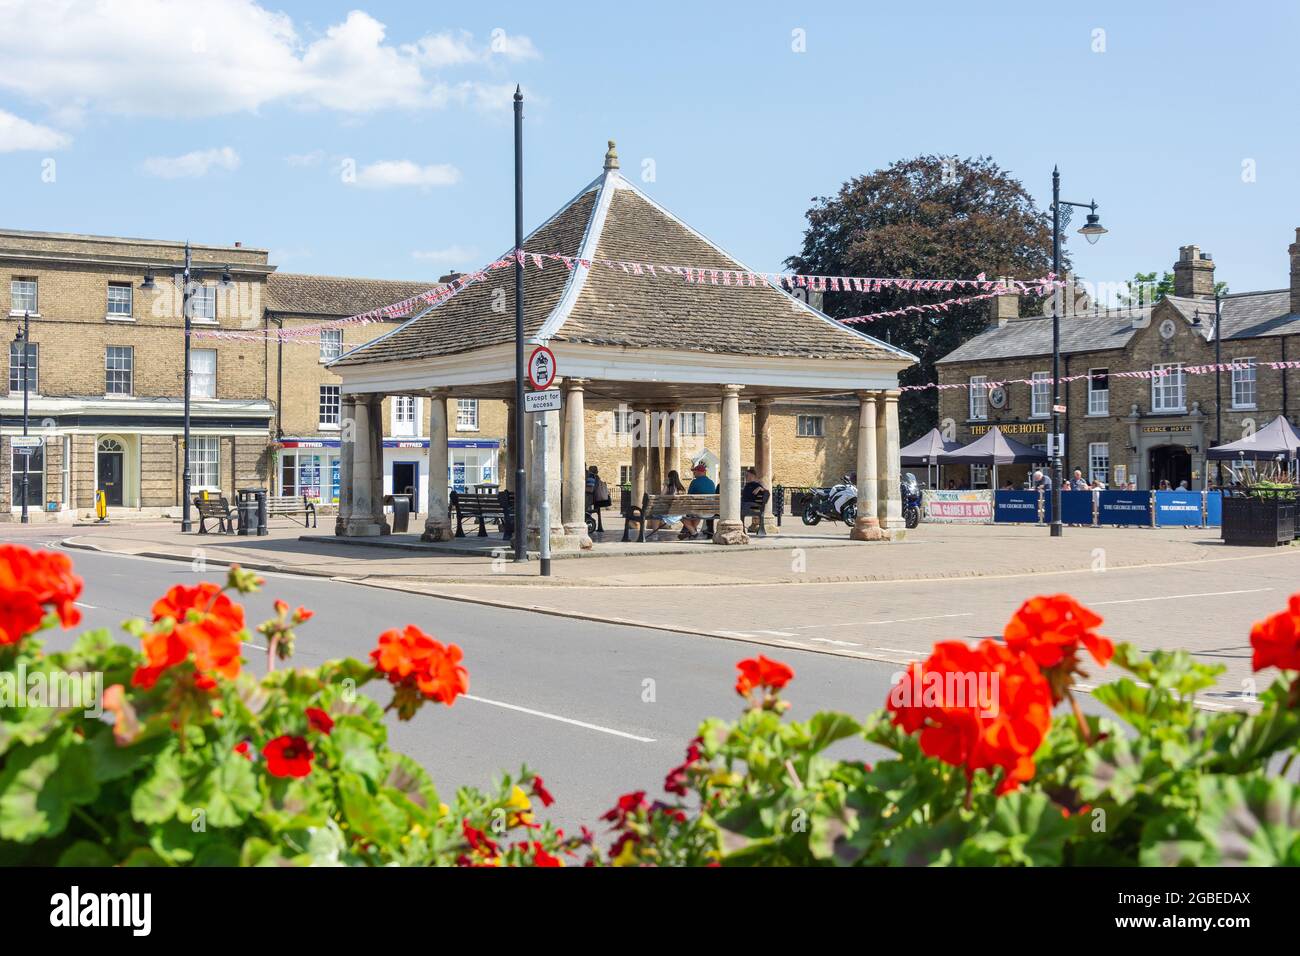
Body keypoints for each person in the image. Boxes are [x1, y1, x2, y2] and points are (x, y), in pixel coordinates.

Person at [680, 462, 717, 539]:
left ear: (700, 472)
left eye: (695, 472)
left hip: (700, 512)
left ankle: (693, 531)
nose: (694, 473)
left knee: (679, 515)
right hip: (711, 512)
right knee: (695, 513)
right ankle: (691, 531)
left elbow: (688, 497)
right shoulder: (711, 482)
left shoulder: (694, 482)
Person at [647, 470, 686, 536]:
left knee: (655, 514)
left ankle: (655, 533)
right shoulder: (682, 488)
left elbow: (661, 497)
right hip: (680, 514)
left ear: (669, 478)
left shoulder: (669, 487)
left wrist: (665, 485)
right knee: (658, 514)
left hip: (669, 513)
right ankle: (693, 532)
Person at [741, 466, 768, 532]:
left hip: (753, 507)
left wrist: (761, 489)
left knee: (739, 508)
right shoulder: (747, 485)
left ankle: (741, 529)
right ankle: (742, 529)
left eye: (748, 475)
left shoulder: (756, 485)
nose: (747, 477)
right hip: (747, 506)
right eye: (746, 476)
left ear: (754, 476)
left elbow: (767, 493)